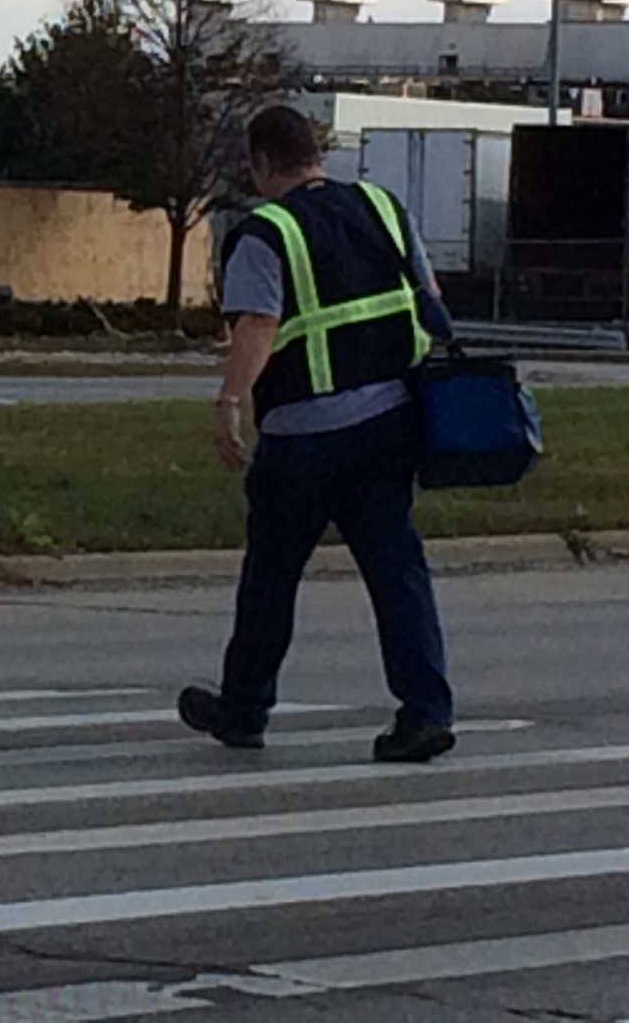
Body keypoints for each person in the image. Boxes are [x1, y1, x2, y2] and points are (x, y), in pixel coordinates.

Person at [178, 104, 458, 765]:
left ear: (262, 162)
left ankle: (245, 709)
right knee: (397, 572)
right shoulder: (383, 208)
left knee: (271, 576)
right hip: (392, 421)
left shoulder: (264, 231)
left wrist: (229, 401)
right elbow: (430, 294)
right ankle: (425, 712)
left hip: (304, 435)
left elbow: (258, 326)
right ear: (316, 152)